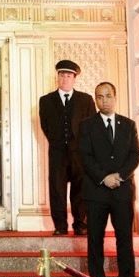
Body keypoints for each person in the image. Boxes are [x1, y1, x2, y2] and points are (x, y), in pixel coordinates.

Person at [78, 82, 139, 277]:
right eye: (99, 97)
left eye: (107, 96)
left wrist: (120, 176)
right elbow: (85, 157)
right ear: (95, 99)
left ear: (115, 97)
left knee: (124, 238)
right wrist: (104, 177)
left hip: (122, 191)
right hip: (96, 192)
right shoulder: (86, 125)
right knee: (95, 239)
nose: (103, 100)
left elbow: (135, 155)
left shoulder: (128, 125)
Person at [38, 59, 96, 236]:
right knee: (57, 189)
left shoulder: (85, 100)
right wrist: (57, 143)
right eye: (62, 74)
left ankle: (80, 225)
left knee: (80, 189)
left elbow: (92, 126)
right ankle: (60, 226)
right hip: (57, 153)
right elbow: (45, 125)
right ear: (58, 77)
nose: (65, 78)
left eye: (68, 75)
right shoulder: (46, 100)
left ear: (74, 78)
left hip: (80, 153)